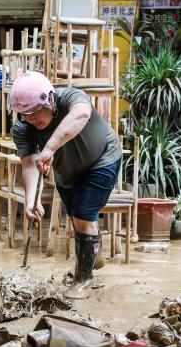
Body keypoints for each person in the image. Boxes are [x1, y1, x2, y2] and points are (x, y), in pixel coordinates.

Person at [9, 71, 122, 290]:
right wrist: (32, 201)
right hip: (67, 170)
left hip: (102, 158)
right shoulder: (23, 128)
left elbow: (81, 114)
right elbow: (30, 165)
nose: (31, 119)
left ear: (49, 100)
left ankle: (83, 279)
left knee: (82, 213)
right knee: (76, 218)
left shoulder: (71, 98)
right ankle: (92, 256)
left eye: (35, 111)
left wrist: (50, 147)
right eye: (25, 114)